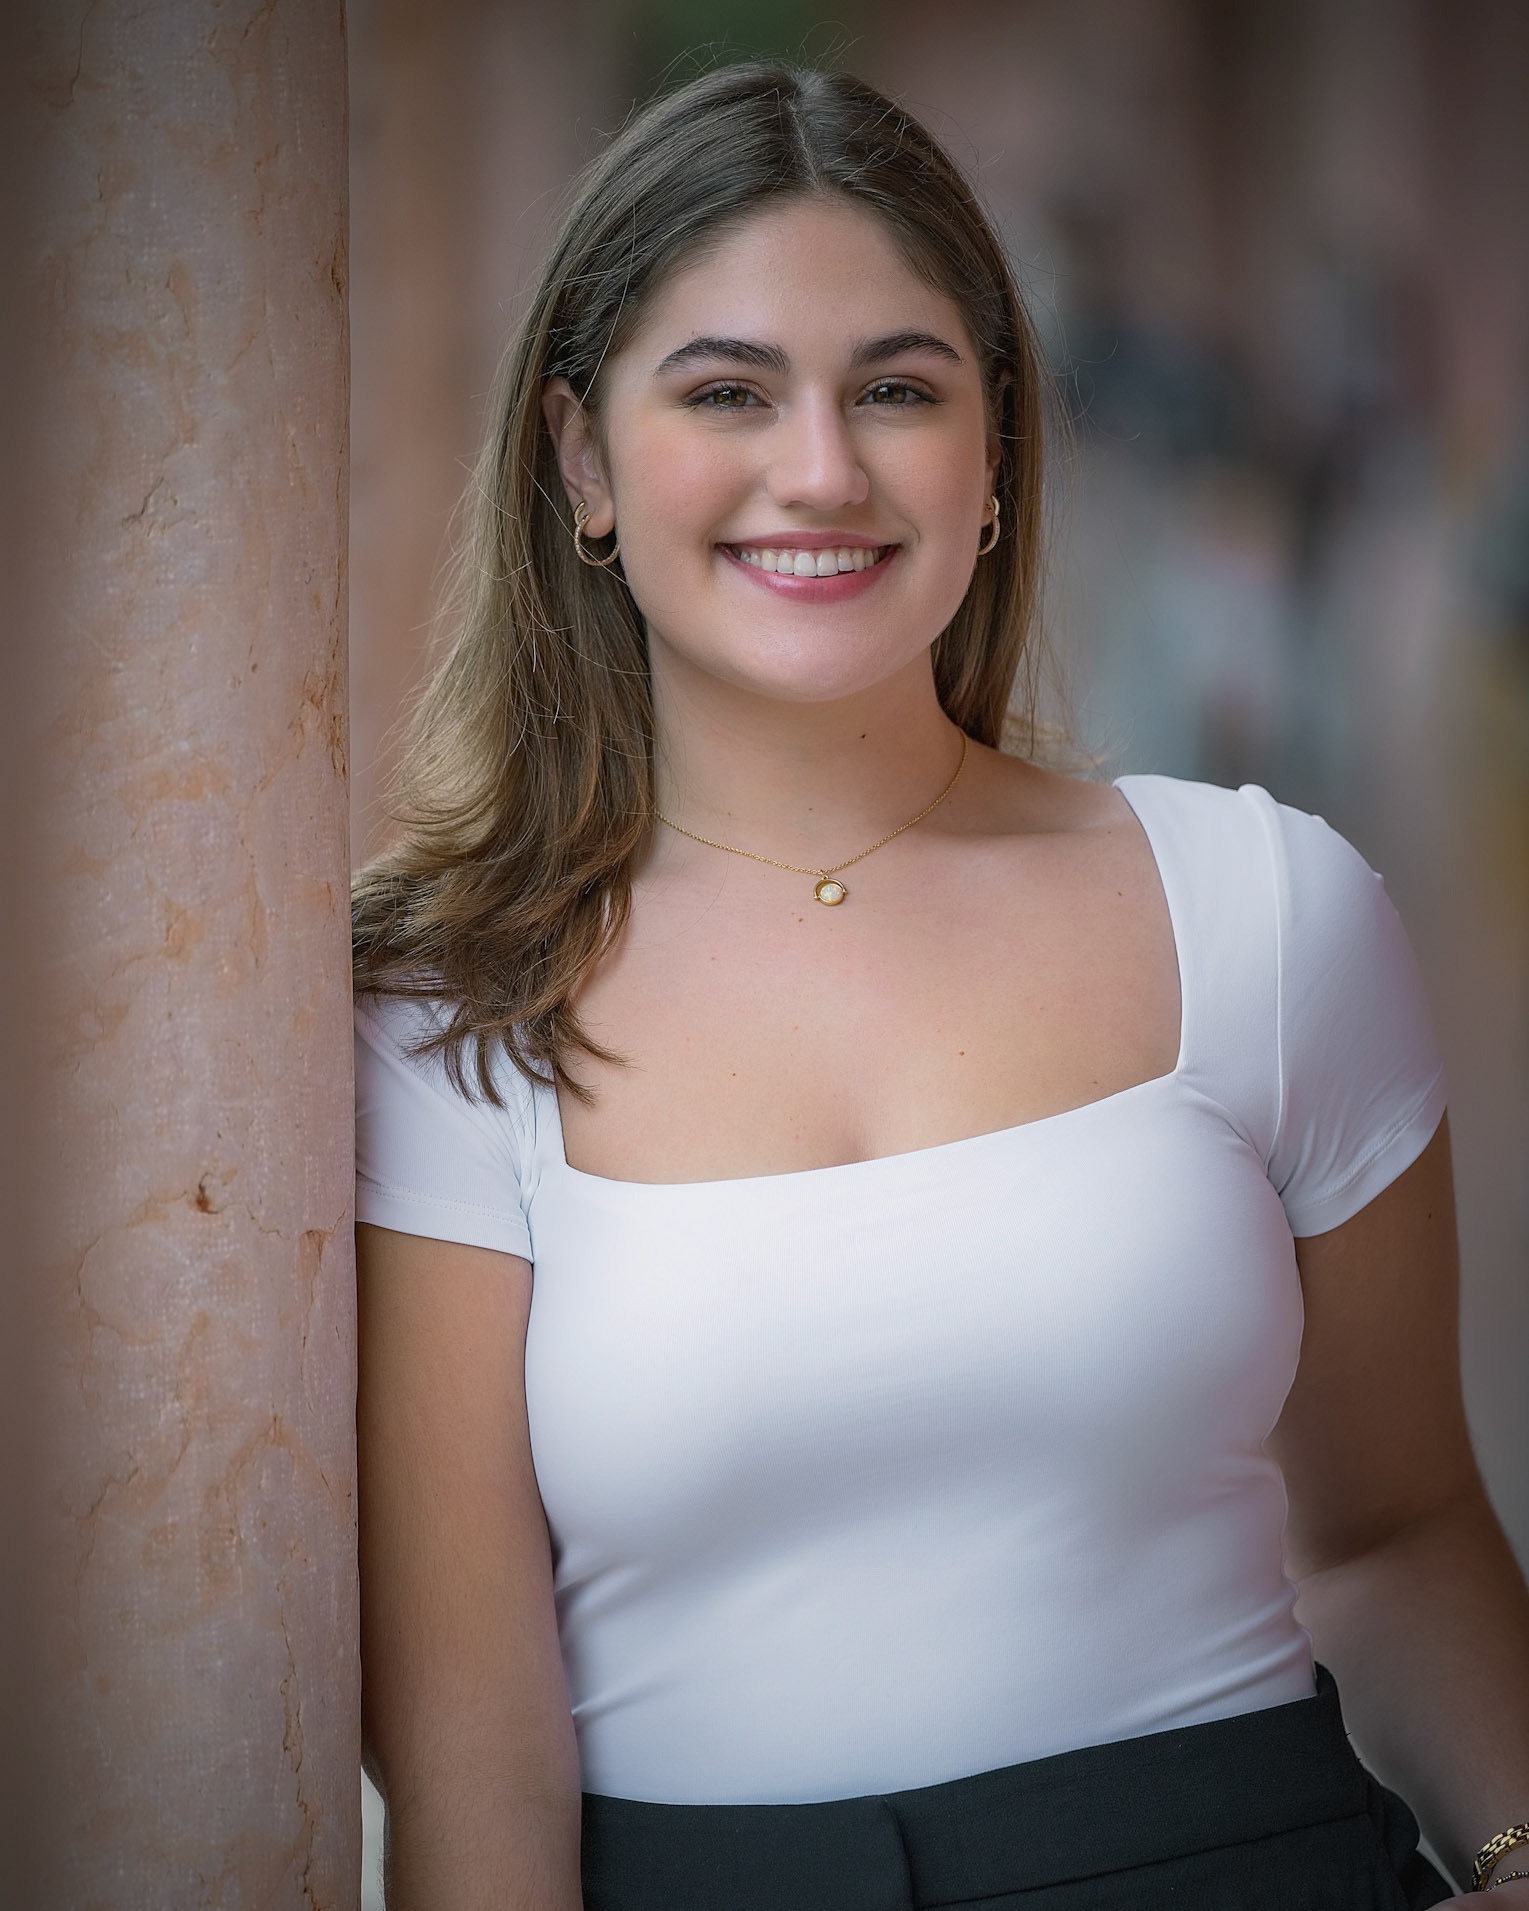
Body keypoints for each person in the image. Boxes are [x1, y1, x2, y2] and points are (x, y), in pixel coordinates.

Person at [349, 62, 1529, 1911]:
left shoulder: (1261, 907)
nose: (818, 468)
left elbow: (1394, 1528)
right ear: (580, 459)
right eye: (725, 391)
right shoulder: (444, 1016)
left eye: (896, 388)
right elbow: (474, 1753)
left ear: (992, 456)